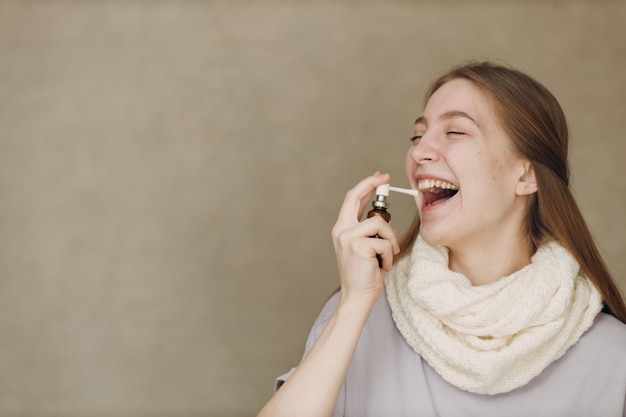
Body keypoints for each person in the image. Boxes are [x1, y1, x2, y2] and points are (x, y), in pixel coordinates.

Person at [256, 61, 626, 417]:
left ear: (526, 175)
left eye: (455, 132)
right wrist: (353, 305)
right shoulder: (359, 318)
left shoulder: (613, 358)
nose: (419, 152)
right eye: (418, 136)